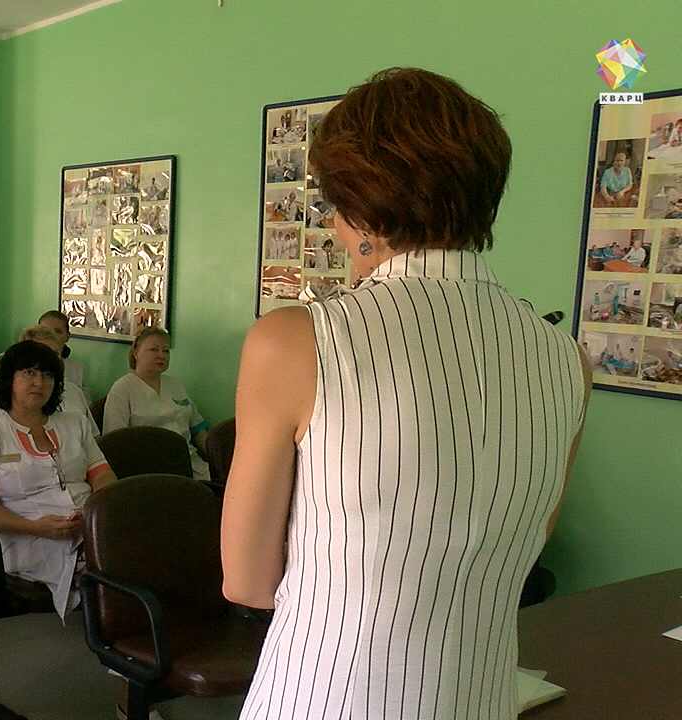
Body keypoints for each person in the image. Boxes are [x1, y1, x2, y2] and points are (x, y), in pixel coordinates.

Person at [220, 68, 590, 720]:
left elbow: (248, 582)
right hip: (480, 696)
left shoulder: (297, 340)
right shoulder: (567, 358)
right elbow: (520, 544)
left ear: (362, 209)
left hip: (326, 695)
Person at [0, 341, 115, 618]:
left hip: (86, 524)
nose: (39, 383)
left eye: (47, 375)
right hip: (25, 535)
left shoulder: (75, 423)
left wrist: (93, 512)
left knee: (134, 549)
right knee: (110, 562)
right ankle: (116, 630)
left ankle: (129, 630)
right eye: (29, 373)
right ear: (9, 379)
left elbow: (103, 476)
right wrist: (35, 527)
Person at [102, 327, 210, 480]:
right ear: (136, 353)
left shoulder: (175, 385)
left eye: (165, 351)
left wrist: (217, 458)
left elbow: (198, 429)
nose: (161, 356)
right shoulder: (123, 389)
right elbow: (114, 441)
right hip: (147, 467)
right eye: (153, 350)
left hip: (188, 461)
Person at [18, 325, 96, 432]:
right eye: (45, 353)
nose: (53, 359)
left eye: (56, 353)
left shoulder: (73, 391)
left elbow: (92, 435)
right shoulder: (18, 397)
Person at [38, 310, 85, 391]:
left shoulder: (76, 369)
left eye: (58, 331)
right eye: (46, 331)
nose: (51, 335)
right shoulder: (25, 366)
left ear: (67, 336)